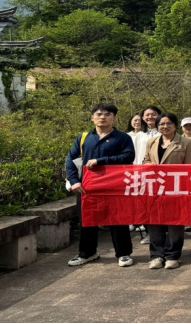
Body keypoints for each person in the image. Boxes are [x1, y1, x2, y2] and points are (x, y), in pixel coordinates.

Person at [66, 104, 135, 268]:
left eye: (107, 114)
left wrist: (101, 161)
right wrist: (74, 181)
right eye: (99, 114)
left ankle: (123, 253)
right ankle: (87, 253)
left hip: (114, 186)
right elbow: (71, 160)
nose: (102, 117)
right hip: (88, 186)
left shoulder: (123, 138)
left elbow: (128, 157)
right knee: (87, 220)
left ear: (114, 118)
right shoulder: (84, 138)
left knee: (118, 219)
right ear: (92, 118)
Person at [144, 113, 191, 269]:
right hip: (154, 187)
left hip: (176, 188)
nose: (165, 126)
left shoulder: (186, 142)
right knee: (154, 222)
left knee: (175, 223)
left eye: (169, 123)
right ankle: (156, 256)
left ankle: (172, 255)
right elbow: (145, 160)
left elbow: (190, 167)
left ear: (175, 125)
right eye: (161, 124)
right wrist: (148, 165)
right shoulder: (152, 142)